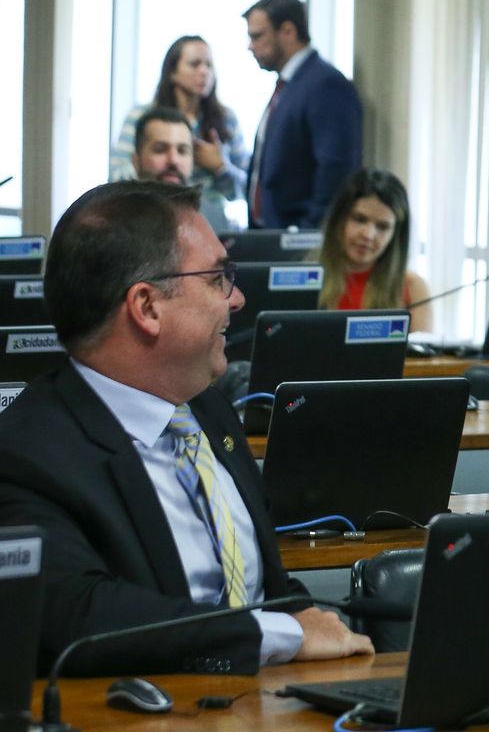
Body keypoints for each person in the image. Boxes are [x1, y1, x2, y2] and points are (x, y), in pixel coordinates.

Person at [0, 181, 373, 676]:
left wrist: (306, 620)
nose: (237, 298)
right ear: (147, 306)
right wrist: (278, 635)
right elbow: (80, 615)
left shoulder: (209, 411)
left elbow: (264, 588)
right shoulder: (28, 452)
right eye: (218, 278)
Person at [243, 0, 363, 230]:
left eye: (257, 36)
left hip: (299, 238)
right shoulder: (289, 86)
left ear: (288, 31)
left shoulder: (325, 84)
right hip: (273, 234)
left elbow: (336, 169)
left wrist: (308, 230)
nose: (250, 46)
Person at [110, 36, 249, 232]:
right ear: (172, 72)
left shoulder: (226, 119)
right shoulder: (141, 116)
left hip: (210, 226)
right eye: (194, 64)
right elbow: (115, 179)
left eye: (209, 65)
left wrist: (219, 167)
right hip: (150, 222)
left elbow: (247, 190)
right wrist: (151, 164)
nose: (204, 72)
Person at [317, 169, 432, 332]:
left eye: (382, 227)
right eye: (359, 219)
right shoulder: (308, 279)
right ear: (339, 219)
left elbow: (424, 347)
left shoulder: (413, 286)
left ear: (396, 234)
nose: (368, 235)